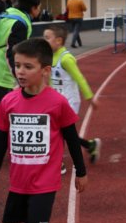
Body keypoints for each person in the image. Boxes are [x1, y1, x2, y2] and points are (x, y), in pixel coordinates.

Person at [0, 37, 88, 223]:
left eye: (27, 67)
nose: (20, 72)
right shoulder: (9, 101)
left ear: (45, 70)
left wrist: (81, 172)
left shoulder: (57, 103)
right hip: (19, 180)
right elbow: (0, 140)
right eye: (17, 65)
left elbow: (72, 139)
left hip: (45, 180)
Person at [0, 0, 41, 151]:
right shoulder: (20, 24)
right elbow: (13, 54)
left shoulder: (7, 15)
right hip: (0, 73)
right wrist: (21, 79)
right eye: (39, 7)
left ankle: (6, 146)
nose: (39, 10)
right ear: (33, 8)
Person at [43, 24, 102, 166]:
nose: (44, 40)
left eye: (47, 38)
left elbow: (79, 78)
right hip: (56, 100)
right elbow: (50, 81)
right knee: (64, 132)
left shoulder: (66, 58)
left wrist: (90, 97)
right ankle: (90, 145)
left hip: (70, 101)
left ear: (58, 40)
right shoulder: (49, 56)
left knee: (58, 130)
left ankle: (58, 162)